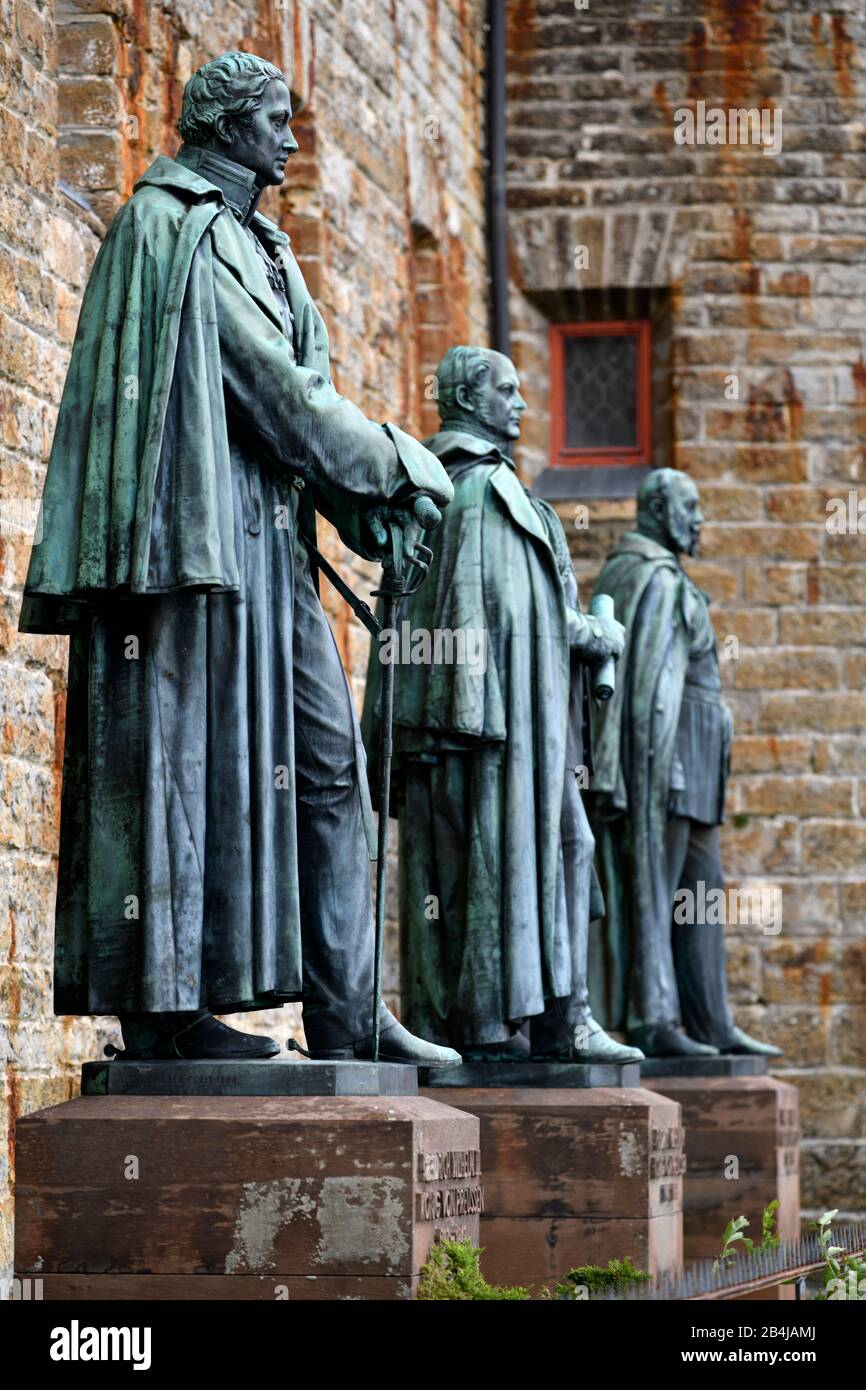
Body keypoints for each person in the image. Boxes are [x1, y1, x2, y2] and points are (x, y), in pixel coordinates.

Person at [19, 51, 460, 1066]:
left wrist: (367, 506)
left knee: (324, 771)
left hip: (269, 558)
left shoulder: (261, 244)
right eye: (274, 118)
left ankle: (349, 1018)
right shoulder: (174, 229)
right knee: (170, 765)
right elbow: (277, 394)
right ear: (222, 126)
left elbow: (294, 408)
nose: (292, 139)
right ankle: (164, 1018)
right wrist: (400, 462)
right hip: (187, 556)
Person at [362, 345, 643, 1063]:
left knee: (540, 855)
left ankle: (551, 1019)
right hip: (495, 729)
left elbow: (522, 615)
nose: (522, 405)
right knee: (509, 863)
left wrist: (580, 633)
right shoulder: (478, 492)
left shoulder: (464, 489)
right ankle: (522, 1023)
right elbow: (517, 620)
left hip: (500, 724)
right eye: (508, 392)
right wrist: (594, 634)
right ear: (465, 399)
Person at [589, 468, 780, 1059]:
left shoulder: (664, 576)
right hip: (666, 765)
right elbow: (647, 690)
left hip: (696, 768)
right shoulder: (648, 577)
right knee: (652, 887)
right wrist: (653, 769)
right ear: (657, 511)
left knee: (702, 892)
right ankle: (655, 1017)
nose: (699, 520)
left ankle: (710, 1020)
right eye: (690, 507)